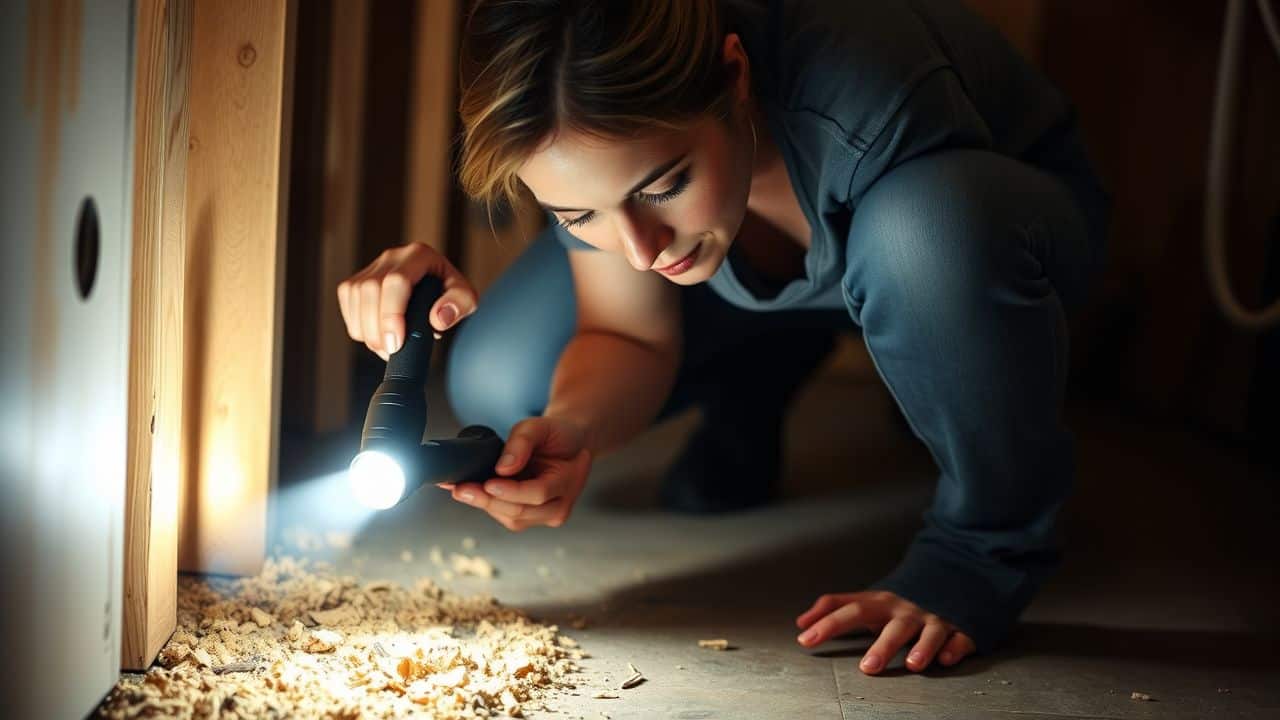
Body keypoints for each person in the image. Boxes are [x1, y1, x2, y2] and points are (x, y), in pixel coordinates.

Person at [337, 0, 1108, 675]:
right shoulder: (598, 141)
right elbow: (628, 333)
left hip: (990, 243)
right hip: (801, 257)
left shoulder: (864, 82)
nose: (639, 248)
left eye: (662, 184)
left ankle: (988, 538)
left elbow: (944, 254)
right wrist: (569, 430)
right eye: (581, 216)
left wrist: (972, 565)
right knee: (506, 382)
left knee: (921, 237)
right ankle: (767, 363)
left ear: (734, 75)